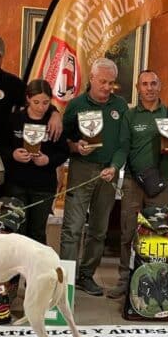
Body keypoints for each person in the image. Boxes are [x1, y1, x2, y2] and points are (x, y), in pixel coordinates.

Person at [107, 70, 168, 299]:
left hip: (160, 185)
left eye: (153, 83)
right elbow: (122, 147)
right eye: (144, 84)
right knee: (128, 231)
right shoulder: (130, 116)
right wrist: (114, 166)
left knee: (158, 233)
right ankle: (124, 279)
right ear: (138, 89)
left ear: (160, 86)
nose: (149, 88)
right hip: (132, 182)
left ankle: (156, 277)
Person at [59, 58, 128, 296]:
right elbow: (62, 140)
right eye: (103, 82)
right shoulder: (76, 105)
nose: (107, 87)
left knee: (99, 229)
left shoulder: (120, 106)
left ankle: (86, 276)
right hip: (81, 169)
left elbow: (123, 143)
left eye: (111, 83)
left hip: (108, 173)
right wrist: (75, 147)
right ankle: (65, 279)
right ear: (91, 79)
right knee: (73, 228)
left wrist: (115, 166)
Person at [2, 79, 69, 244]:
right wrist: (13, 154)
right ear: (28, 99)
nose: (41, 107)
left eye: (46, 103)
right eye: (36, 102)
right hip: (16, 184)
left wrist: (48, 160)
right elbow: (1, 147)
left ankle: (37, 269)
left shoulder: (54, 122)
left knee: (37, 232)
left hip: (43, 186)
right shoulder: (14, 119)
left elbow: (64, 152)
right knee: (17, 231)